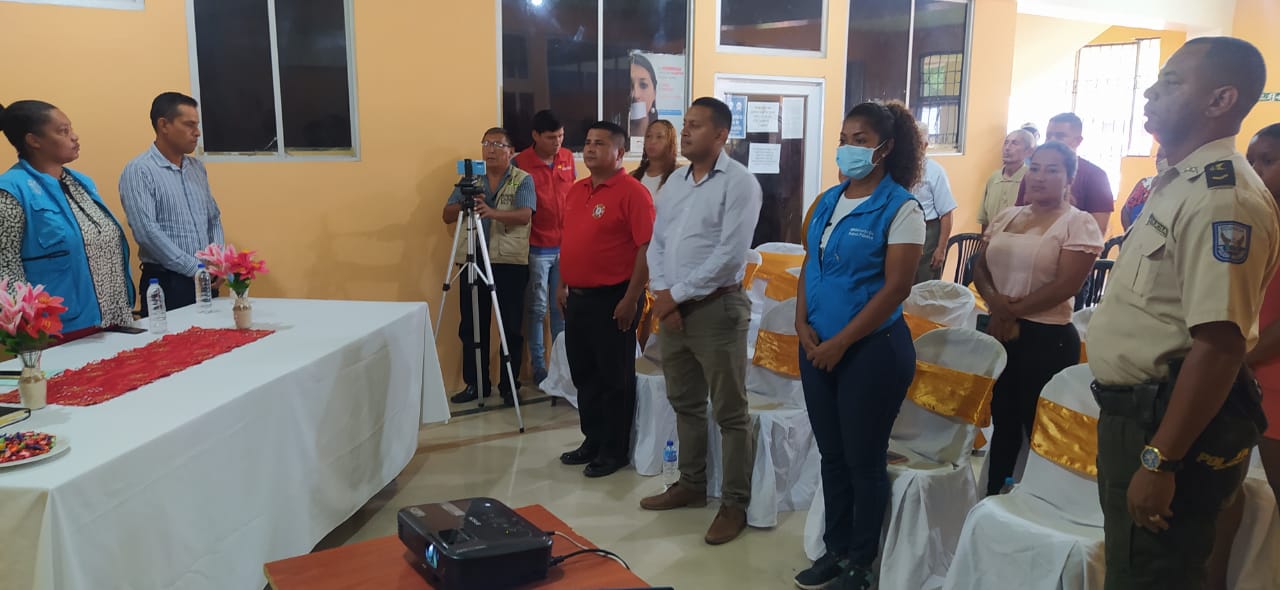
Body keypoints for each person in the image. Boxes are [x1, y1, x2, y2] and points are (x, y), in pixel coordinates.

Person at [1089, 37, 1278, 588]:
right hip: (1138, 415)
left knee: (1154, 574)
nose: (1150, 93)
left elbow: (1219, 346)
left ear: (1220, 100)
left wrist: (1161, 460)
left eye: (1170, 82)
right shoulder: (1179, 182)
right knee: (1131, 566)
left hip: (1167, 426)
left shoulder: (1224, 199)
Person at [790, 101, 926, 590]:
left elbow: (896, 287)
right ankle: (836, 548)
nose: (848, 149)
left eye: (860, 141)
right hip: (817, 345)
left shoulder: (901, 208)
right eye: (844, 140)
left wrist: (842, 342)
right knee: (831, 456)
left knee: (863, 460)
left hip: (872, 352)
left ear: (884, 149)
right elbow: (811, 262)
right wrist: (801, 322)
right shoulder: (828, 201)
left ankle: (860, 563)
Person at [640, 97, 761, 546]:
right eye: (685, 123)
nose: (685, 131)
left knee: (730, 411)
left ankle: (734, 504)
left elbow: (729, 255)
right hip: (673, 309)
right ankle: (691, 484)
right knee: (685, 402)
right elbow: (658, 242)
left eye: (695, 125)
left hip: (717, 310)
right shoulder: (675, 181)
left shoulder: (740, 183)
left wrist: (674, 295)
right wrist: (663, 293)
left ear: (721, 134)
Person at [972, 141, 1103, 496]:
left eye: (1052, 170)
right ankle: (994, 499)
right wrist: (996, 303)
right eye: (1035, 168)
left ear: (1069, 178)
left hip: (1047, 338)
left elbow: (1067, 285)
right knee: (1004, 423)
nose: (1040, 177)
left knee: (1039, 427)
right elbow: (979, 267)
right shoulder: (1008, 216)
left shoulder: (1078, 223)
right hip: (1000, 330)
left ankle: (1041, 500)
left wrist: (1010, 311)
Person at [556, 121, 654, 478]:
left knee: (614, 378)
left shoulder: (633, 193)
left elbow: (646, 248)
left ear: (619, 152)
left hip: (615, 298)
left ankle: (614, 451)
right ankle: (593, 440)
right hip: (578, 298)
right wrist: (562, 284)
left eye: (600, 143)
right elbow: (571, 241)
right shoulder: (577, 190)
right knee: (585, 374)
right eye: (588, 142)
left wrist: (631, 298)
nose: (590, 148)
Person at [0, 100, 134, 333]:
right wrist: (27, 331)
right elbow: (6, 268)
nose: (74, 137)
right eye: (63, 131)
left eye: (71, 128)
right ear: (34, 140)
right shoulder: (11, 191)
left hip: (114, 320)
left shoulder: (81, 182)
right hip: (58, 330)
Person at [442, 127, 535, 406]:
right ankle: (476, 384)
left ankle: (509, 386)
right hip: (473, 259)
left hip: (509, 262)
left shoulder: (522, 179)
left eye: (498, 144)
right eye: (486, 143)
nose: (490, 149)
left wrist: (492, 212)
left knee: (510, 327)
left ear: (511, 151)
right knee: (472, 326)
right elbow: (446, 214)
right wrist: (466, 203)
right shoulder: (470, 179)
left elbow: (524, 215)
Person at [119, 92, 225, 314]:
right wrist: (194, 268)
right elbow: (147, 232)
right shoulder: (140, 170)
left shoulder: (196, 168)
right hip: (167, 284)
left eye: (197, 125)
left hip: (206, 279)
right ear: (164, 125)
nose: (197, 132)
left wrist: (217, 260)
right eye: (189, 125)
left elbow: (213, 218)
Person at [513, 110, 574, 386]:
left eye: (560, 136)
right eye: (551, 137)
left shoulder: (568, 158)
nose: (557, 142)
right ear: (535, 136)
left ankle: (563, 367)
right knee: (537, 310)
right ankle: (539, 367)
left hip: (566, 246)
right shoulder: (520, 163)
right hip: (537, 247)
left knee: (561, 308)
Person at [1014, 113, 1115, 233]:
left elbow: (1097, 230)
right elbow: (1018, 218)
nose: (1051, 141)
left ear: (1078, 141)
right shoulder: (1033, 173)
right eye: (1048, 136)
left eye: (1060, 136)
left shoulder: (1095, 176)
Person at [912, 122, 958, 283]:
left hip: (928, 234)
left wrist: (941, 249)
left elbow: (946, 213)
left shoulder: (935, 171)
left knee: (925, 285)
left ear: (925, 145)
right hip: (901, 230)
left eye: (917, 142)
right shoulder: (896, 169)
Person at [978, 129, 1035, 232]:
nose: (1007, 148)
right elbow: (985, 220)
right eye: (1006, 143)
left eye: (1015, 143)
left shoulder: (1031, 178)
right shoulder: (994, 178)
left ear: (1029, 151)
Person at [1119, 147, 1168, 230]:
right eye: (1159, 156)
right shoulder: (1144, 183)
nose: (1160, 161)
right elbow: (1125, 210)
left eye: (1165, 157)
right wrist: (1130, 233)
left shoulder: (1177, 190)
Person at [632, 119, 678, 200]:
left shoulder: (681, 175)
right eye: (648, 136)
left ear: (670, 142)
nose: (652, 141)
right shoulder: (633, 176)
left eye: (659, 137)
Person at [629, 54, 660, 140]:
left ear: (654, 93)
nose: (635, 95)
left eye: (643, 85)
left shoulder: (663, 139)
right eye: (628, 85)